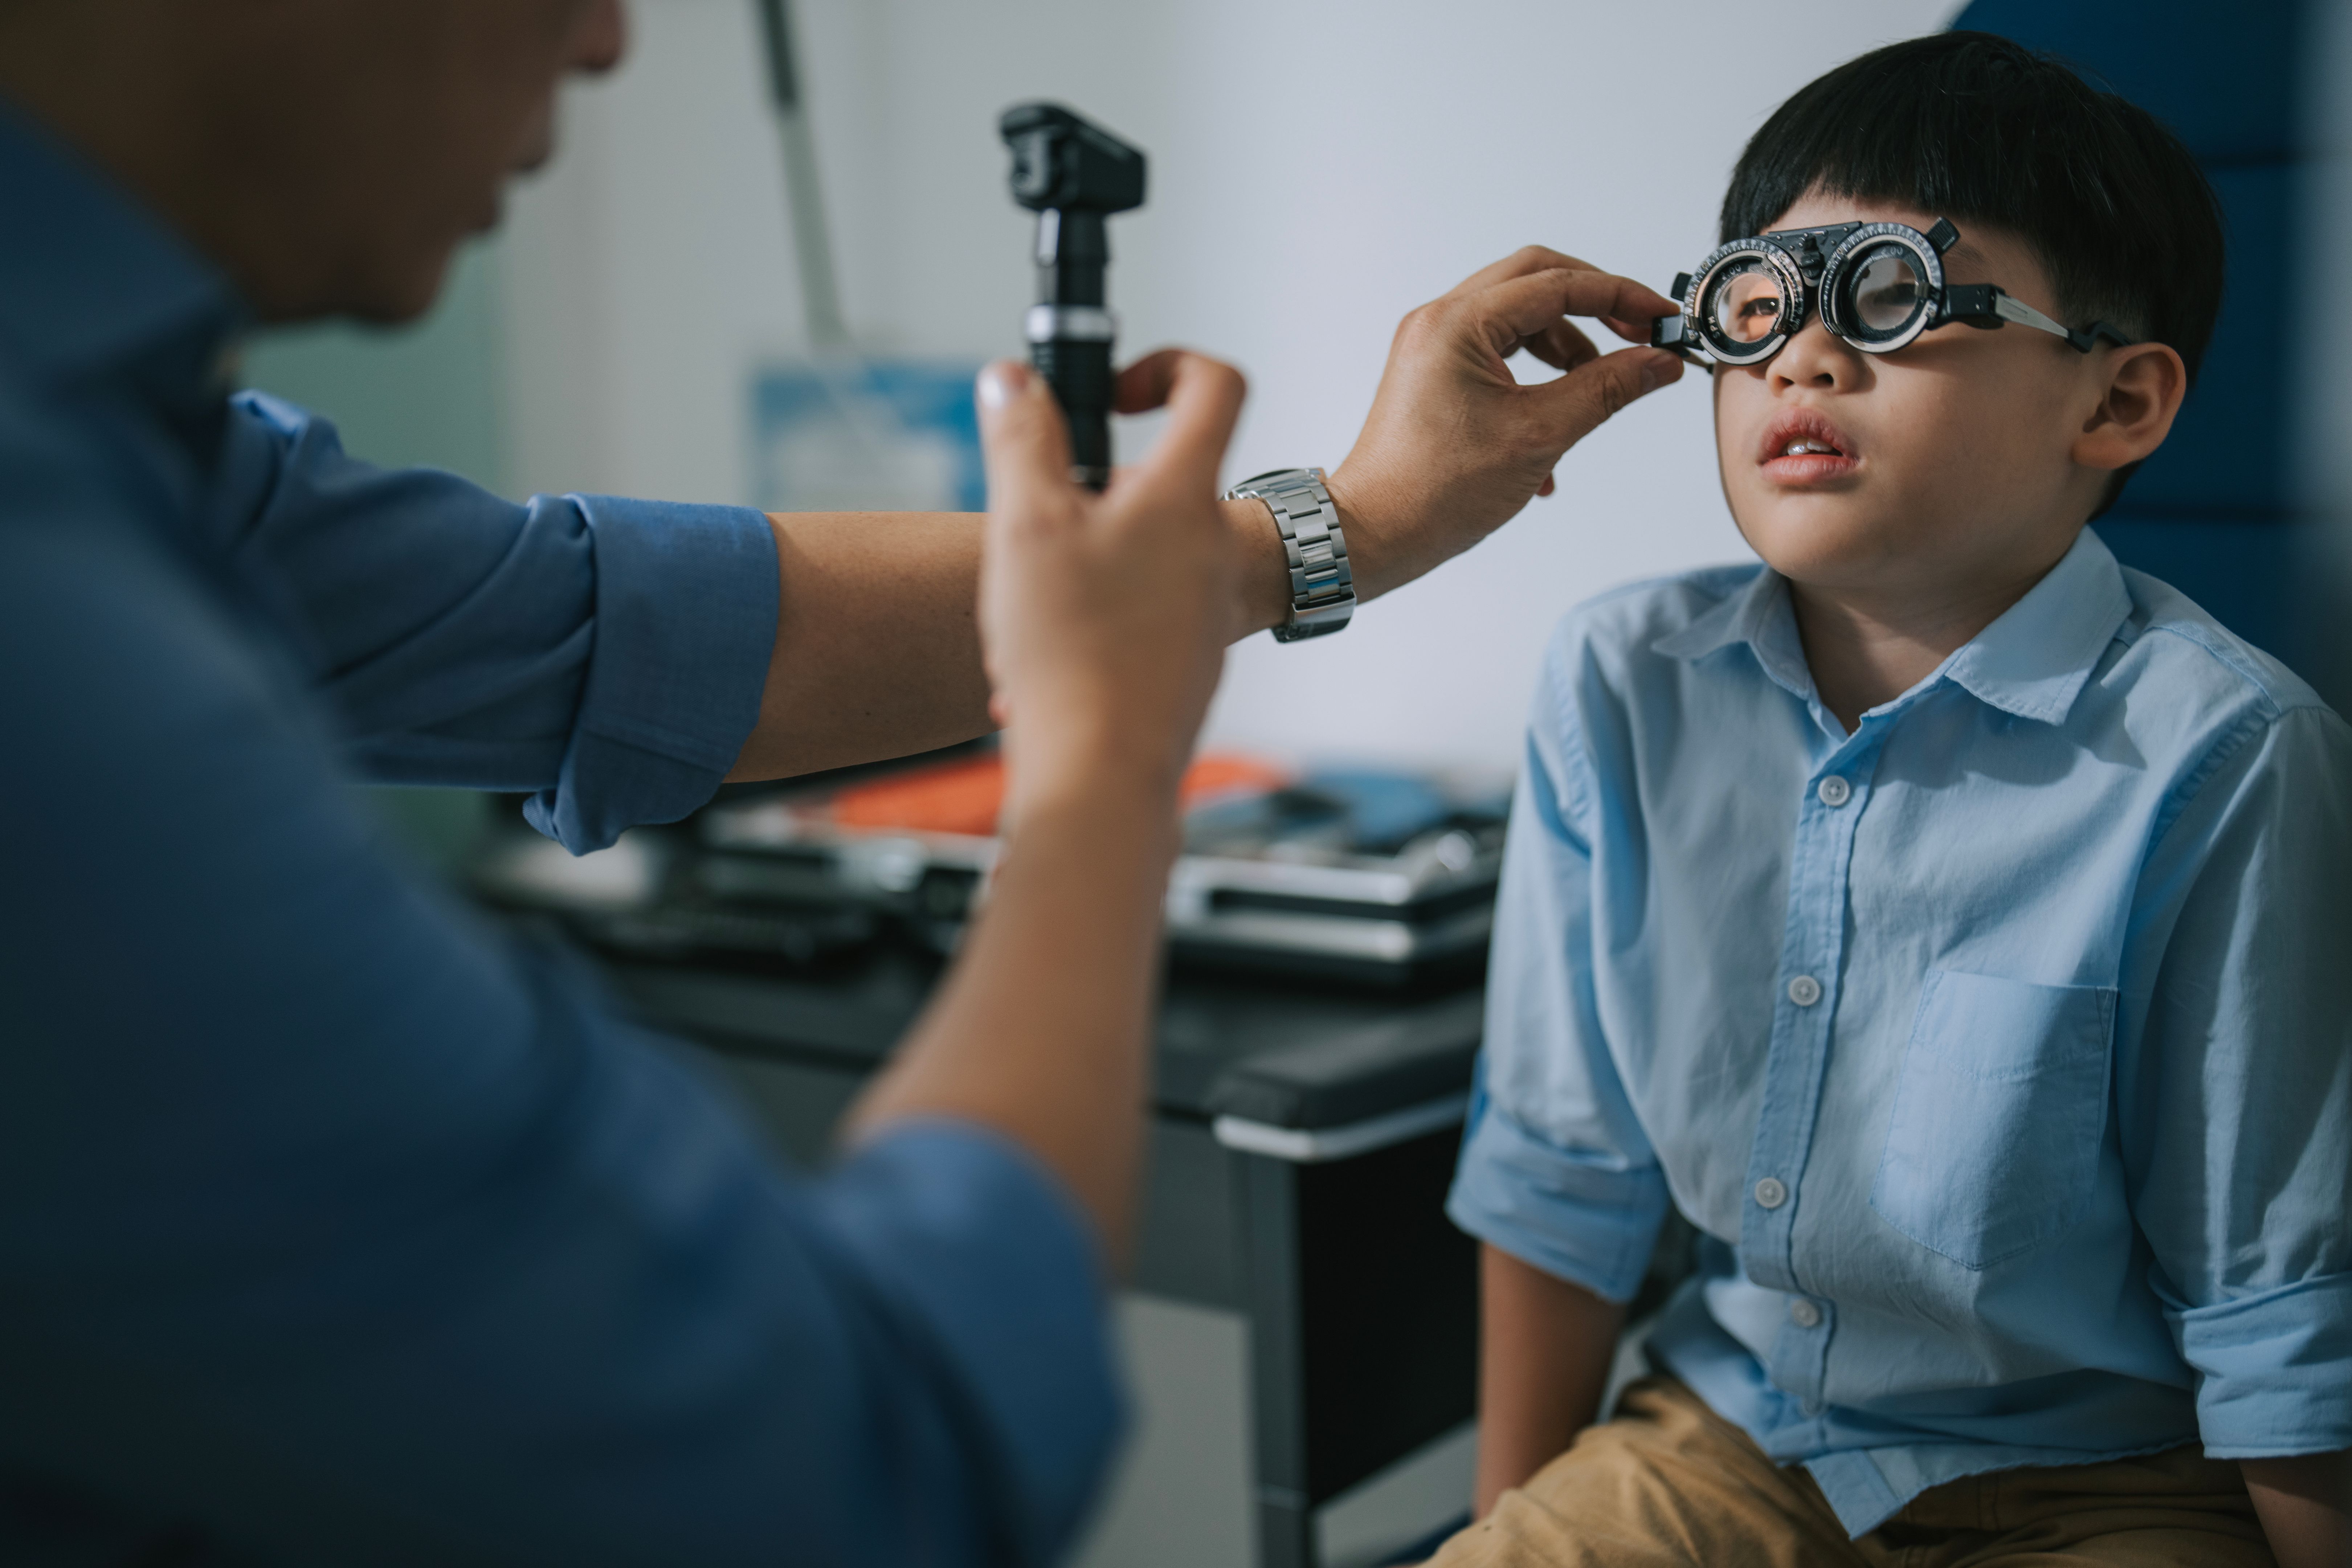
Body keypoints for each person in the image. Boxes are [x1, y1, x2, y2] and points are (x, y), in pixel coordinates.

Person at [0, 1, 1687, 1563]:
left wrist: (1339, 527)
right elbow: (862, 1465)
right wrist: (1108, 755)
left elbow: (608, 624)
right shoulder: (48, 627)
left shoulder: (132, 454)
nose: (609, 40)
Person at [1438, 32, 2352, 1568]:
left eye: (1888, 298)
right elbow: (1560, 1178)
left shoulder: (2232, 755)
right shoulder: (1622, 681)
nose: (1801, 358)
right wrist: (1512, 1528)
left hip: (2112, 1476)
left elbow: (2282, 1307)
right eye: (1759, 302)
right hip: (1736, 1434)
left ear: (2118, 402)